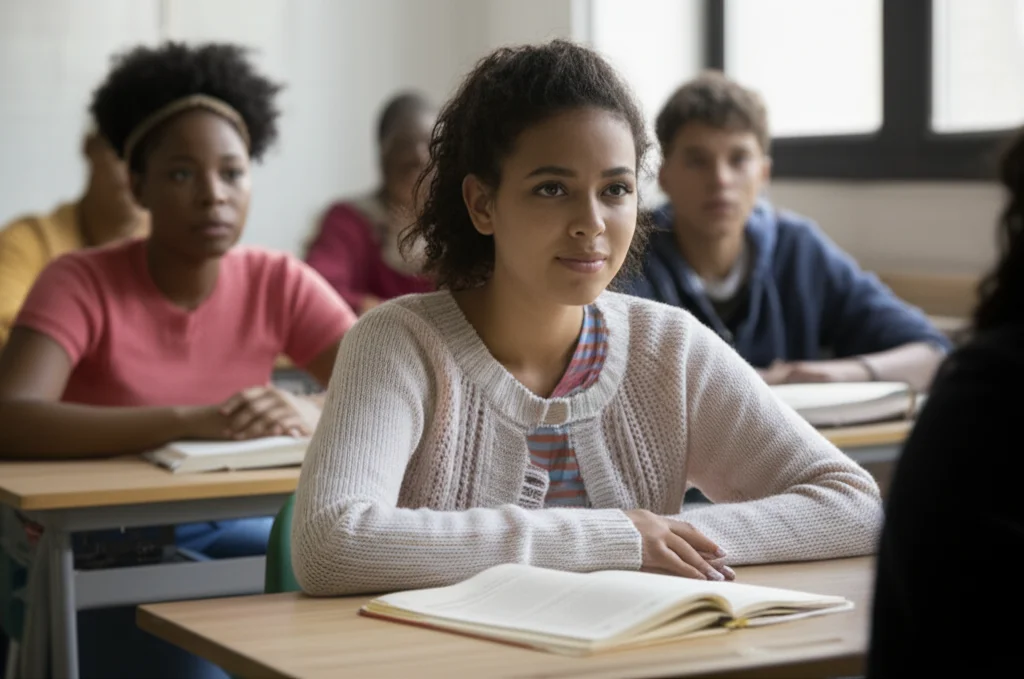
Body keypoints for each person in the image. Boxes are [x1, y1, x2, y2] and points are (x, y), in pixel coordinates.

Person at [291, 40, 882, 598]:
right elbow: (331, 544)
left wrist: (667, 542)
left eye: (616, 189)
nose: (592, 223)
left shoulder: (668, 347)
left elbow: (854, 505)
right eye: (552, 189)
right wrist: (620, 539)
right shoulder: (398, 344)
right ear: (482, 203)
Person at [0, 42, 355, 678]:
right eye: (182, 174)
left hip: (236, 525)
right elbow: (11, 417)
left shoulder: (278, 279)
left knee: (325, 607)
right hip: (103, 546)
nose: (213, 195)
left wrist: (309, 407)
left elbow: (391, 391)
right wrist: (188, 420)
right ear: (138, 184)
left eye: (232, 173)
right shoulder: (78, 280)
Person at [630, 71, 950, 391]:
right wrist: (760, 384)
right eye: (697, 161)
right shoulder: (631, 255)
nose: (720, 180)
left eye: (739, 159)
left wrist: (837, 374)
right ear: (664, 177)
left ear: (763, 173)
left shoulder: (798, 249)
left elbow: (932, 352)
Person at [868, 129, 1024, 676]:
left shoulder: (793, 244)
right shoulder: (989, 402)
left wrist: (827, 372)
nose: (722, 182)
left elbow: (926, 343)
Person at [0, 130, 148, 346]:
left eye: (149, 158)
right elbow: (8, 345)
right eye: (121, 153)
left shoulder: (177, 248)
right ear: (89, 146)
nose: (135, 173)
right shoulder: (25, 242)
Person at [305, 92, 435, 314]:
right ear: (382, 153)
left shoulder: (461, 225)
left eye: (430, 144)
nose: (419, 156)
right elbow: (317, 292)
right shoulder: (350, 221)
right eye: (404, 144)